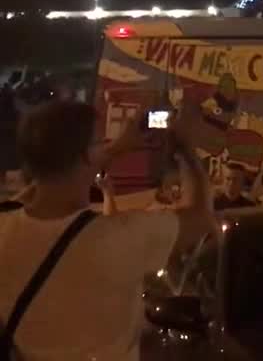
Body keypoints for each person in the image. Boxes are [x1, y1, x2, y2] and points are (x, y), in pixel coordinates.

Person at [0, 100, 216, 360]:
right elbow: (200, 215)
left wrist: (109, 150)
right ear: (88, 155)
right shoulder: (118, 237)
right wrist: (184, 147)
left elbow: (33, 194)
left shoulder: (5, 230)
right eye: (100, 141)